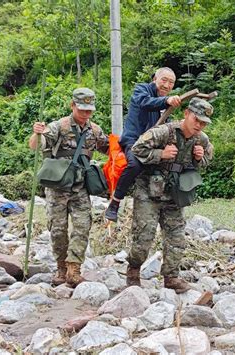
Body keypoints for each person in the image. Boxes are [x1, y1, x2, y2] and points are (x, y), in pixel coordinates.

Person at [127, 97, 214, 293]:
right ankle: (133, 271)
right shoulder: (164, 132)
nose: (199, 125)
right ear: (186, 114)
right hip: (148, 191)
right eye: (196, 120)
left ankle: (171, 277)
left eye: (203, 123)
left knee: (177, 237)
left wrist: (200, 158)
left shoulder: (202, 139)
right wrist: (160, 154)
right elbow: (136, 149)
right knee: (144, 235)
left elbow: (208, 159)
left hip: (174, 194)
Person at [29, 88, 108, 287]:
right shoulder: (59, 126)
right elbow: (36, 145)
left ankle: (74, 269)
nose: (85, 114)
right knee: (58, 229)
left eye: (89, 110)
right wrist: (36, 134)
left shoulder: (95, 131)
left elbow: (110, 149)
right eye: (82, 109)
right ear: (72, 105)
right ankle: (61, 268)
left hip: (80, 186)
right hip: (57, 186)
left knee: (82, 226)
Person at [104, 67, 181, 222]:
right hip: (134, 141)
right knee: (135, 164)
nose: (166, 85)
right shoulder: (142, 90)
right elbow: (145, 102)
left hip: (153, 144)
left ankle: (171, 204)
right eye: (164, 80)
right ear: (155, 79)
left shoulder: (167, 103)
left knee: (175, 161)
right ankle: (115, 202)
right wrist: (166, 101)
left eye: (171, 82)